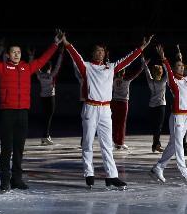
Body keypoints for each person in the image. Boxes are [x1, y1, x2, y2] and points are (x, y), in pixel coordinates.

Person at [0, 28, 62, 191]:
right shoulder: (1, 68)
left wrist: (55, 44)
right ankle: (5, 180)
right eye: (13, 52)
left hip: (23, 113)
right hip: (7, 113)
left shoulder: (27, 68)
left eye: (18, 52)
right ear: (7, 55)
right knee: (7, 148)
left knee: (19, 148)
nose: (17, 54)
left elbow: (43, 59)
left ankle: (16, 179)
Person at [63, 33, 153, 189]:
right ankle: (88, 173)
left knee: (107, 145)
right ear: (92, 53)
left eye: (102, 51)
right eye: (97, 51)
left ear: (105, 53)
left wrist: (141, 48)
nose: (100, 53)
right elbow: (75, 56)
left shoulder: (111, 67)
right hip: (90, 107)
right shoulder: (87, 66)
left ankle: (112, 176)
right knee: (88, 142)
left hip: (105, 109)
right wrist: (66, 43)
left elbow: (127, 60)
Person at [150, 44, 187, 185]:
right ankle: (185, 174)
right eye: (178, 66)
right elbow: (167, 69)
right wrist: (163, 58)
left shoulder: (186, 80)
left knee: (173, 145)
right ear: (174, 69)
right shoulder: (173, 82)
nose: (181, 67)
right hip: (177, 117)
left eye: (182, 66)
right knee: (178, 145)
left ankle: (158, 167)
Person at [110, 57, 146, 151]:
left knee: (115, 122)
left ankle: (115, 141)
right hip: (123, 102)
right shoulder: (127, 79)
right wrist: (143, 66)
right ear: (124, 71)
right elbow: (136, 73)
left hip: (114, 102)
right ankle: (120, 142)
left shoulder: (113, 79)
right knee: (122, 123)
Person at [35, 45, 64, 145]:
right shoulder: (52, 75)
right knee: (49, 116)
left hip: (43, 97)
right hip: (50, 98)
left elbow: (35, 66)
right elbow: (58, 65)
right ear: (50, 67)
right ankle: (45, 135)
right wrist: (60, 54)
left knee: (46, 116)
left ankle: (45, 135)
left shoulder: (39, 75)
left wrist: (31, 56)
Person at [143, 56, 168, 153]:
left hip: (152, 105)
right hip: (161, 105)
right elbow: (168, 72)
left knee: (156, 126)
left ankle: (155, 145)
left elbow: (146, 71)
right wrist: (163, 60)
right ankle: (156, 145)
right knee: (158, 126)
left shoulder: (150, 80)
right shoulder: (162, 81)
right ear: (160, 72)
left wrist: (144, 63)